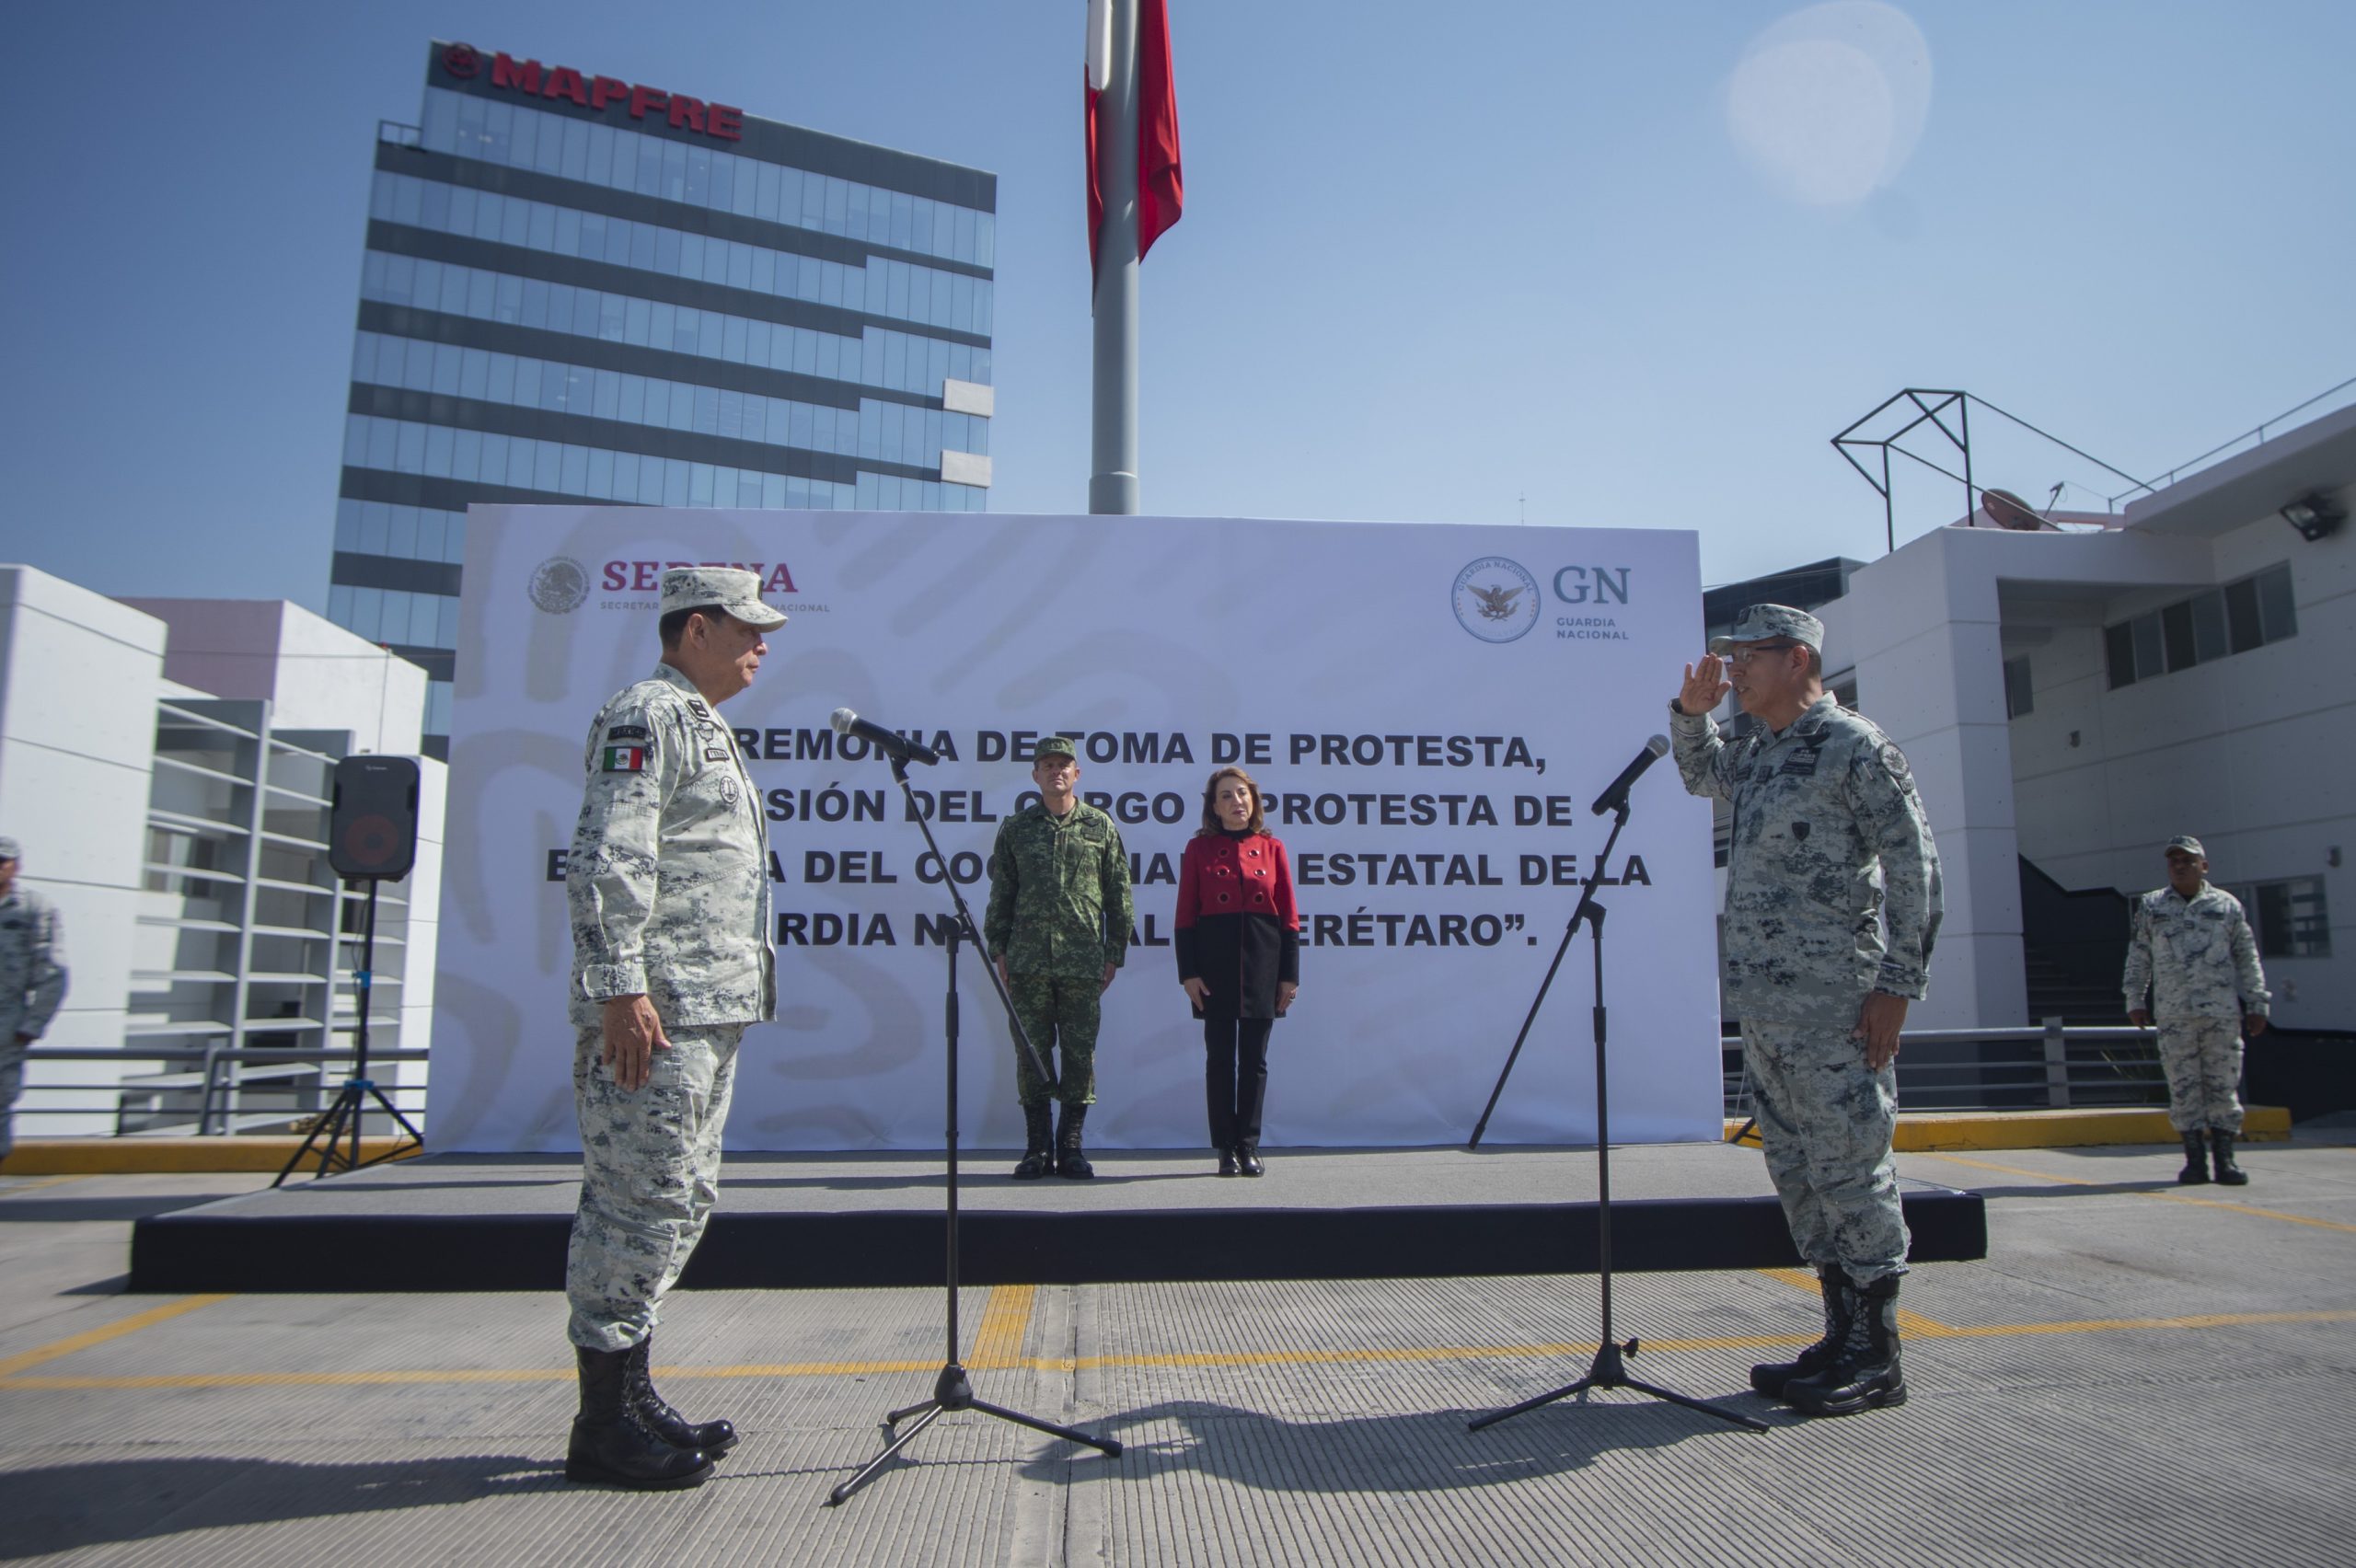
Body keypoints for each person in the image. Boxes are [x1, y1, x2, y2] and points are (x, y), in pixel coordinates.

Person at [1671, 605, 1942, 1418]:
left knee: (1852, 1171)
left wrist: (1898, 984)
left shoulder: (1855, 747)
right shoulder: (1762, 752)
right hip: (1768, 1011)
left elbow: (1916, 867)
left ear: (1796, 660)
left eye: (1747, 658)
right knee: (1799, 1176)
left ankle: (1878, 1354)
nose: (1734, 673)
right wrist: (1691, 716)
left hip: (1837, 1010)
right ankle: (1839, 1334)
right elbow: (1699, 774)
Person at [561, 567, 786, 1490]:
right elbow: (611, 852)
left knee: (681, 1199)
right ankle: (601, 1424)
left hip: (705, 1007)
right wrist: (620, 987)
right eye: (745, 629)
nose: (759, 645)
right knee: (635, 1200)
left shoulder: (701, 721)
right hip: (654, 1013)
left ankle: (634, 1391)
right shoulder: (644, 713)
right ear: (695, 629)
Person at [983, 733, 1135, 1180]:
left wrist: (1114, 951)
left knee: (1079, 1054)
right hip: (1027, 961)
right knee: (1031, 1055)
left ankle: (1070, 1147)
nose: (1056, 771)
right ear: (1035, 775)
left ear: (1077, 773)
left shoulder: (1099, 826)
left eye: (1064, 765)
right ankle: (1036, 1148)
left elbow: (1118, 893)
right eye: (1047, 765)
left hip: (1082, 961)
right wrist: (999, 947)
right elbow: (1002, 894)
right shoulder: (1017, 828)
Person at [2122, 835, 2269, 1186]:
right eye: (2174, 860)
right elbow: (2139, 954)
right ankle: (2194, 1162)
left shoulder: (2226, 906)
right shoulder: (2153, 906)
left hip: (2220, 1012)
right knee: (2184, 1087)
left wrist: (2257, 1001)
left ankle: (2226, 1160)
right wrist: (2135, 998)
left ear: (2203, 866)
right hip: (2174, 1015)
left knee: (2222, 1086)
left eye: (2188, 860)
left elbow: (2246, 956)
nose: (2180, 865)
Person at [1174, 767, 1299, 1177]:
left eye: (1242, 794)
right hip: (1214, 964)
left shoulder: (1273, 847)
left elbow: (1290, 918)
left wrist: (1289, 975)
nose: (1236, 802)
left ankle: (1249, 1144)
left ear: (1254, 801)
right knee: (1219, 1060)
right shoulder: (1198, 850)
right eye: (1226, 796)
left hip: (1263, 963)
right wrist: (1188, 973)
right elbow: (1185, 916)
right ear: (1214, 806)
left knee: (1255, 1061)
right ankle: (1225, 1146)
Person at [0, 838, 68, 1164]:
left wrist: (31, 1026)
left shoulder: (33, 908)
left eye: (2, 861)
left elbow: (52, 972)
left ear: (16, 866)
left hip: (5, 1025)